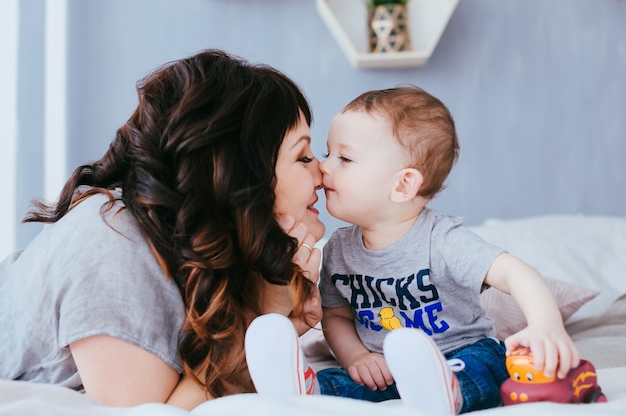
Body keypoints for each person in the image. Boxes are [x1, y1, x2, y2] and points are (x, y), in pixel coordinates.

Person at [0, 49, 325, 409]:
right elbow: (153, 412)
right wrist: (266, 317)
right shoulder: (115, 242)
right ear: (238, 174)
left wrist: (279, 326)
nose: (323, 174)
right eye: (304, 156)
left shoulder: (191, 251)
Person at [245, 85, 580, 414]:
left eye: (344, 158)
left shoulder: (442, 240)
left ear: (403, 184)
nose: (324, 167)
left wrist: (545, 323)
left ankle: (445, 389)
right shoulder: (338, 250)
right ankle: (303, 391)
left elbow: (515, 272)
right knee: (342, 380)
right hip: (387, 366)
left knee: (489, 366)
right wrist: (357, 358)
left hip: (459, 352)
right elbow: (336, 317)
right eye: (327, 152)